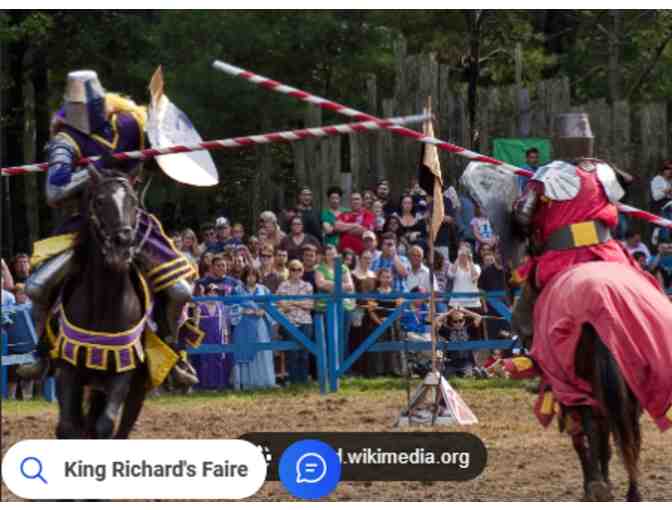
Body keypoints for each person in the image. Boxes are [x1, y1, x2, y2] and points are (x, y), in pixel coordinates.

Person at [20, 70, 196, 384]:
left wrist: (165, 145)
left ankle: (172, 353)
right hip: (86, 224)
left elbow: (161, 152)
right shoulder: (66, 139)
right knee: (37, 287)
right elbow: (54, 191)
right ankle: (43, 351)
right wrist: (94, 170)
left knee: (180, 290)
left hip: (132, 221)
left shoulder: (130, 125)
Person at [510, 112, 643, 341]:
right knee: (642, 287)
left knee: (524, 313)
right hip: (606, 251)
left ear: (560, 141)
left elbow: (523, 216)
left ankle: (536, 355)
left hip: (563, 256)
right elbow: (626, 185)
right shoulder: (605, 171)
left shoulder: (548, 174)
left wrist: (522, 229)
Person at [231, 267, 276, 390]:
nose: (251, 278)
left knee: (262, 350)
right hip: (243, 325)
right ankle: (247, 383)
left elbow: (271, 305)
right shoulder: (237, 290)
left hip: (260, 324)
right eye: (248, 275)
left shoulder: (264, 290)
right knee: (244, 350)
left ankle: (264, 381)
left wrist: (264, 311)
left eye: (254, 275)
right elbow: (230, 306)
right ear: (244, 276)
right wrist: (243, 310)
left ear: (257, 276)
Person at [315, 245, 356, 364]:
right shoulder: (320, 268)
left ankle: (343, 367)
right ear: (324, 256)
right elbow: (320, 284)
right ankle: (331, 366)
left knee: (343, 337)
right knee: (330, 338)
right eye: (328, 254)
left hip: (344, 307)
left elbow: (350, 286)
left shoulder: (343, 267)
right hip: (326, 308)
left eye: (333, 254)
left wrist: (330, 285)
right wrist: (340, 285)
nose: (331, 257)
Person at [276, 260, 314, 384]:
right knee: (292, 352)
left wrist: (293, 302)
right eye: (293, 269)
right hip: (289, 321)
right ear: (289, 271)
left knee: (304, 351)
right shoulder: (283, 285)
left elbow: (310, 305)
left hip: (305, 321)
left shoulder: (308, 286)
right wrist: (300, 303)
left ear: (302, 271)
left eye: (299, 269)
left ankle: (303, 380)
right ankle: (293, 380)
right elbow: (280, 304)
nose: (296, 272)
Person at [192, 283, 233, 390]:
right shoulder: (200, 307)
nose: (213, 295)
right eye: (210, 292)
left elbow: (223, 324)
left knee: (218, 360)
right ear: (206, 294)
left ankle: (218, 384)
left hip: (217, 337)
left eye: (215, 292)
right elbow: (195, 324)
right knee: (204, 360)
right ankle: (205, 385)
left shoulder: (220, 307)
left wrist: (226, 336)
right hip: (204, 338)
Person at [367, 267, 403, 376]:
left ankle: (394, 370)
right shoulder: (373, 293)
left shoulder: (396, 293)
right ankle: (378, 371)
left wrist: (390, 321)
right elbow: (371, 311)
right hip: (377, 323)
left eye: (388, 277)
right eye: (384, 277)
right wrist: (380, 323)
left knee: (394, 344)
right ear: (379, 278)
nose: (386, 279)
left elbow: (399, 311)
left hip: (392, 323)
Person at [447, 244, 482, 310]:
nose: (464, 255)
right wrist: (458, 257)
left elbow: (474, 278)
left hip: (473, 303)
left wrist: (471, 260)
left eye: (466, 253)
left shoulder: (476, 267)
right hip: (456, 303)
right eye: (461, 251)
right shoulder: (453, 266)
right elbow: (450, 275)